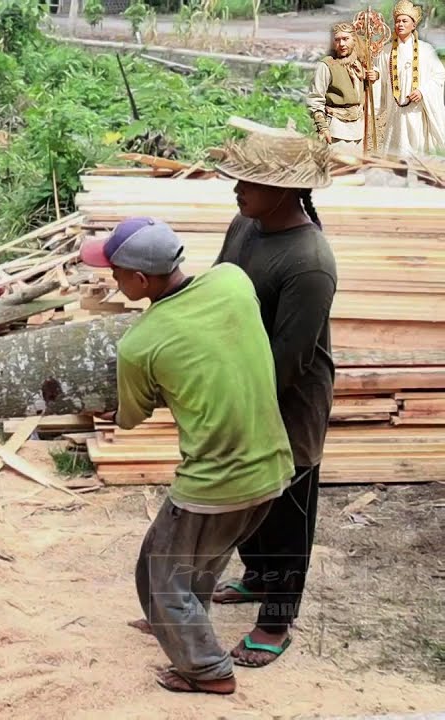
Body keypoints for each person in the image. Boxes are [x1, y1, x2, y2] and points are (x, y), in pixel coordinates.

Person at [82, 218, 294, 695]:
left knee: (164, 581)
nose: (110, 279)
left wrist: (109, 403)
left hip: (216, 482)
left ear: (139, 280)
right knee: (174, 558)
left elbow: (129, 418)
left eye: (114, 272)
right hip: (273, 466)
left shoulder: (141, 343)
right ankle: (176, 627)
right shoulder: (232, 281)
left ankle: (208, 671)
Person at [207, 119, 338, 669]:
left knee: (285, 510)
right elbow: (217, 287)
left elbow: (290, 358)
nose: (235, 188)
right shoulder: (245, 223)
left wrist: (240, 404)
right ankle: (258, 578)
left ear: (284, 189)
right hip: (241, 384)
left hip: (286, 402)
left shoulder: (308, 262)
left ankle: (277, 620)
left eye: (246, 180)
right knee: (244, 495)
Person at [371, 0, 445, 157]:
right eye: (397, 21)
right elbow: (381, 73)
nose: (400, 24)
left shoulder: (426, 50)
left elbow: (439, 75)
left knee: (418, 151)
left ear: (413, 25)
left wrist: (423, 91)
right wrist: (375, 75)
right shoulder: (386, 51)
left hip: (417, 111)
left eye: (404, 21)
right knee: (396, 152)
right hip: (395, 109)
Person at [306, 22, 378, 154]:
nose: (342, 44)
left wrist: (373, 77)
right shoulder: (326, 65)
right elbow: (315, 98)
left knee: (355, 171)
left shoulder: (359, 65)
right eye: (337, 40)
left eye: (346, 39)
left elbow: (364, 92)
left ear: (354, 40)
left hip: (358, 129)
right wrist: (323, 127)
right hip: (337, 129)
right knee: (338, 171)